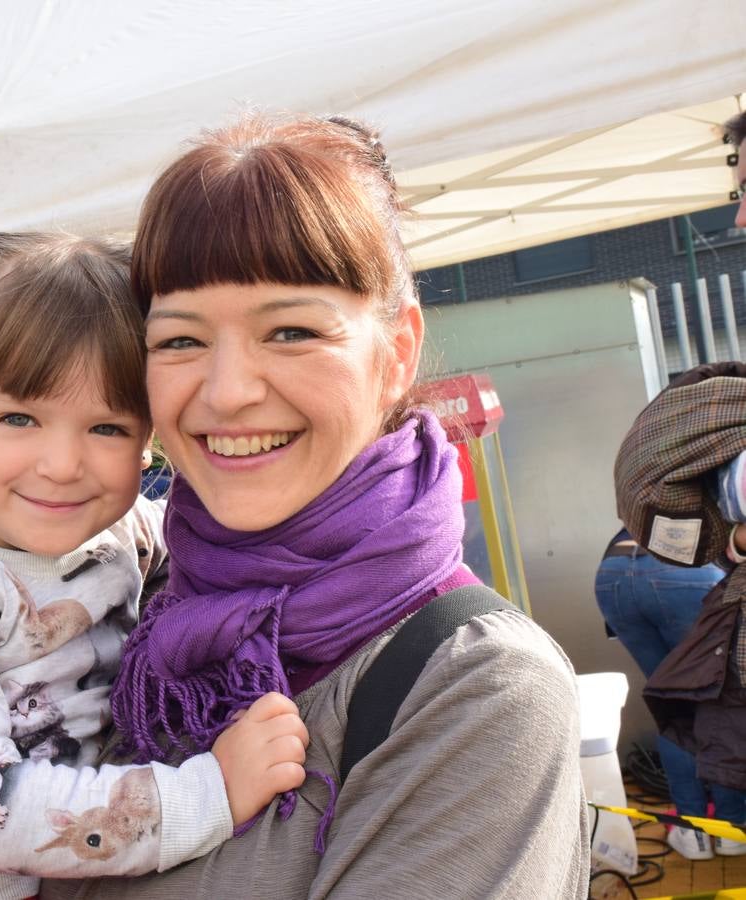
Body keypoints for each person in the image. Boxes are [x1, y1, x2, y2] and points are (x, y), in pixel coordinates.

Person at [42, 113, 588, 900]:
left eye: (291, 331)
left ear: (396, 351)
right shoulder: (135, 621)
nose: (227, 393)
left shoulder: (476, 687)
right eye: (180, 341)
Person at [0, 232, 309, 899]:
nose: (62, 465)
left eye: (107, 428)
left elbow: (216, 559)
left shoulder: (126, 529)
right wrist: (207, 793)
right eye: (19, 418)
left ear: (149, 437)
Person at [595, 527, 746, 860]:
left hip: (615, 571)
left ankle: (691, 831)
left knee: (673, 703)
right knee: (715, 701)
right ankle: (732, 829)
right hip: (687, 573)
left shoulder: (656, 478)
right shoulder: (728, 480)